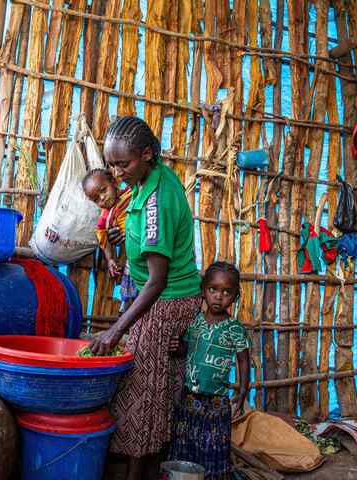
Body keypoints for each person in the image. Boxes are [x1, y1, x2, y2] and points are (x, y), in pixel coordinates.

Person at [89, 116, 202, 480]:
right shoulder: (144, 180)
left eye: (124, 164)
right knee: (151, 386)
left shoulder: (158, 201)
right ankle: (148, 466)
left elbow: (156, 282)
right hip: (155, 295)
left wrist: (115, 331)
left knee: (139, 389)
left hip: (166, 298)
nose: (116, 172)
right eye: (112, 164)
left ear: (148, 154)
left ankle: (137, 472)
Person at [169, 261, 250, 480]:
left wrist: (242, 392)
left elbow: (243, 361)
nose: (218, 296)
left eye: (226, 292)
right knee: (187, 444)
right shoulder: (194, 322)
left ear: (235, 296)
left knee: (213, 448)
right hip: (189, 398)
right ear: (203, 291)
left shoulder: (235, 328)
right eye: (213, 289)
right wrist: (178, 347)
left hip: (216, 402)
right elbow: (186, 348)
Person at [82, 168, 138, 309]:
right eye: (96, 199)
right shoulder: (107, 216)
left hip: (150, 247)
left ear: (113, 182)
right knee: (133, 297)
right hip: (134, 259)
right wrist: (110, 259)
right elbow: (101, 234)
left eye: (103, 190)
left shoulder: (133, 193)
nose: (102, 198)